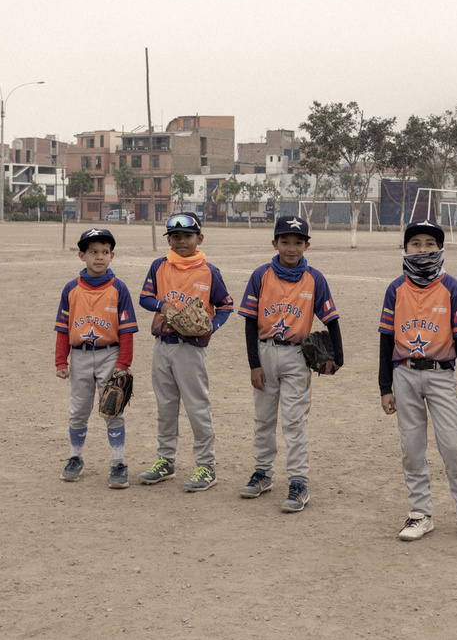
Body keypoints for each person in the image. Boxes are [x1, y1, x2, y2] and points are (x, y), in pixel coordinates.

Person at [380, 219, 457, 545]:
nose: (422, 249)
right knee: (412, 448)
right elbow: (386, 340)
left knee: (454, 448)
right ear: (405, 248)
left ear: (440, 248)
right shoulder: (395, 289)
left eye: (430, 243)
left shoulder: (451, 287)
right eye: (415, 243)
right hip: (403, 374)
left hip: (440, 374)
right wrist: (384, 387)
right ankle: (420, 514)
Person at [237, 215, 344, 512]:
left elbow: (331, 318)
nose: (291, 248)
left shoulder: (315, 279)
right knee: (264, 418)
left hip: (298, 356)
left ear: (307, 245)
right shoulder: (261, 276)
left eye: (298, 242)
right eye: (285, 241)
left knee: (294, 421)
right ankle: (263, 473)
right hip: (265, 352)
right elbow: (249, 321)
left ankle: (298, 481)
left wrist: (339, 356)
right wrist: (253, 364)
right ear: (275, 243)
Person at [137, 212, 234, 491]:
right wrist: (161, 306)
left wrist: (211, 326)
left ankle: (206, 466)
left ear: (199, 238)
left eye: (187, 236)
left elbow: (225, 304)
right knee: (165, 406)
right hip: (162, 346)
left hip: (191, 349)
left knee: (196, 407)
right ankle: (165, 460)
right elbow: (145, 297)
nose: (181, 242)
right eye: (175, 236)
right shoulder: (159, 266)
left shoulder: (209, 271)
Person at [53, 228, 138, 488]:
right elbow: (62, 329)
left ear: (112, 256)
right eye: (93, 252)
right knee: (78, 411)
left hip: (109, 355)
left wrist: (123, 365)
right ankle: (76, 458)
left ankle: (118, 463)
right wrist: (60, 361)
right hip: (79, 357)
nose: (99, 257)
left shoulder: (119, 288)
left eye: (104, 252)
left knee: (113, 410)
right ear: (81, 256)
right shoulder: (71, 289)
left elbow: (127, 331)